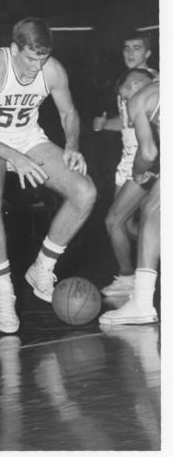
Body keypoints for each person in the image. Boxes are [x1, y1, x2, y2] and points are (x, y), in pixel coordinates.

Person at [0, 17, 96, 333]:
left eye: (42, 58)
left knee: (84, 192)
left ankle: (42, 268)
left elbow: (68, 113)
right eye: (31, 58)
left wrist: (72, 144)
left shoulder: (53, 70)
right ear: (14, 48)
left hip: (26, 137)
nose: (37, 66)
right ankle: (5, 294)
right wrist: (13, 158)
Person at [93, 31, 158, 296]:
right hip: (126, 157)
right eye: (126, 48)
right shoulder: (128, 82)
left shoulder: (152, 82)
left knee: (113, 222)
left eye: (137, 48)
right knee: (129, 225)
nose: (131, 53)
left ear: (148, 53)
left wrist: (145, 165)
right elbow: (129, 122)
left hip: (144, 158)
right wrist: (104, 124)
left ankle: (128, 277)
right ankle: (149, 262)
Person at [99, 77, 159, 325]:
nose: (124, 101)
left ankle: (141, 302)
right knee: (148, 213)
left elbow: (148, 153)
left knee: (149, 210)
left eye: (125, 95)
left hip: (142, 163)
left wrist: (138, 171)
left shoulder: (140, 100)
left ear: (135, 86)